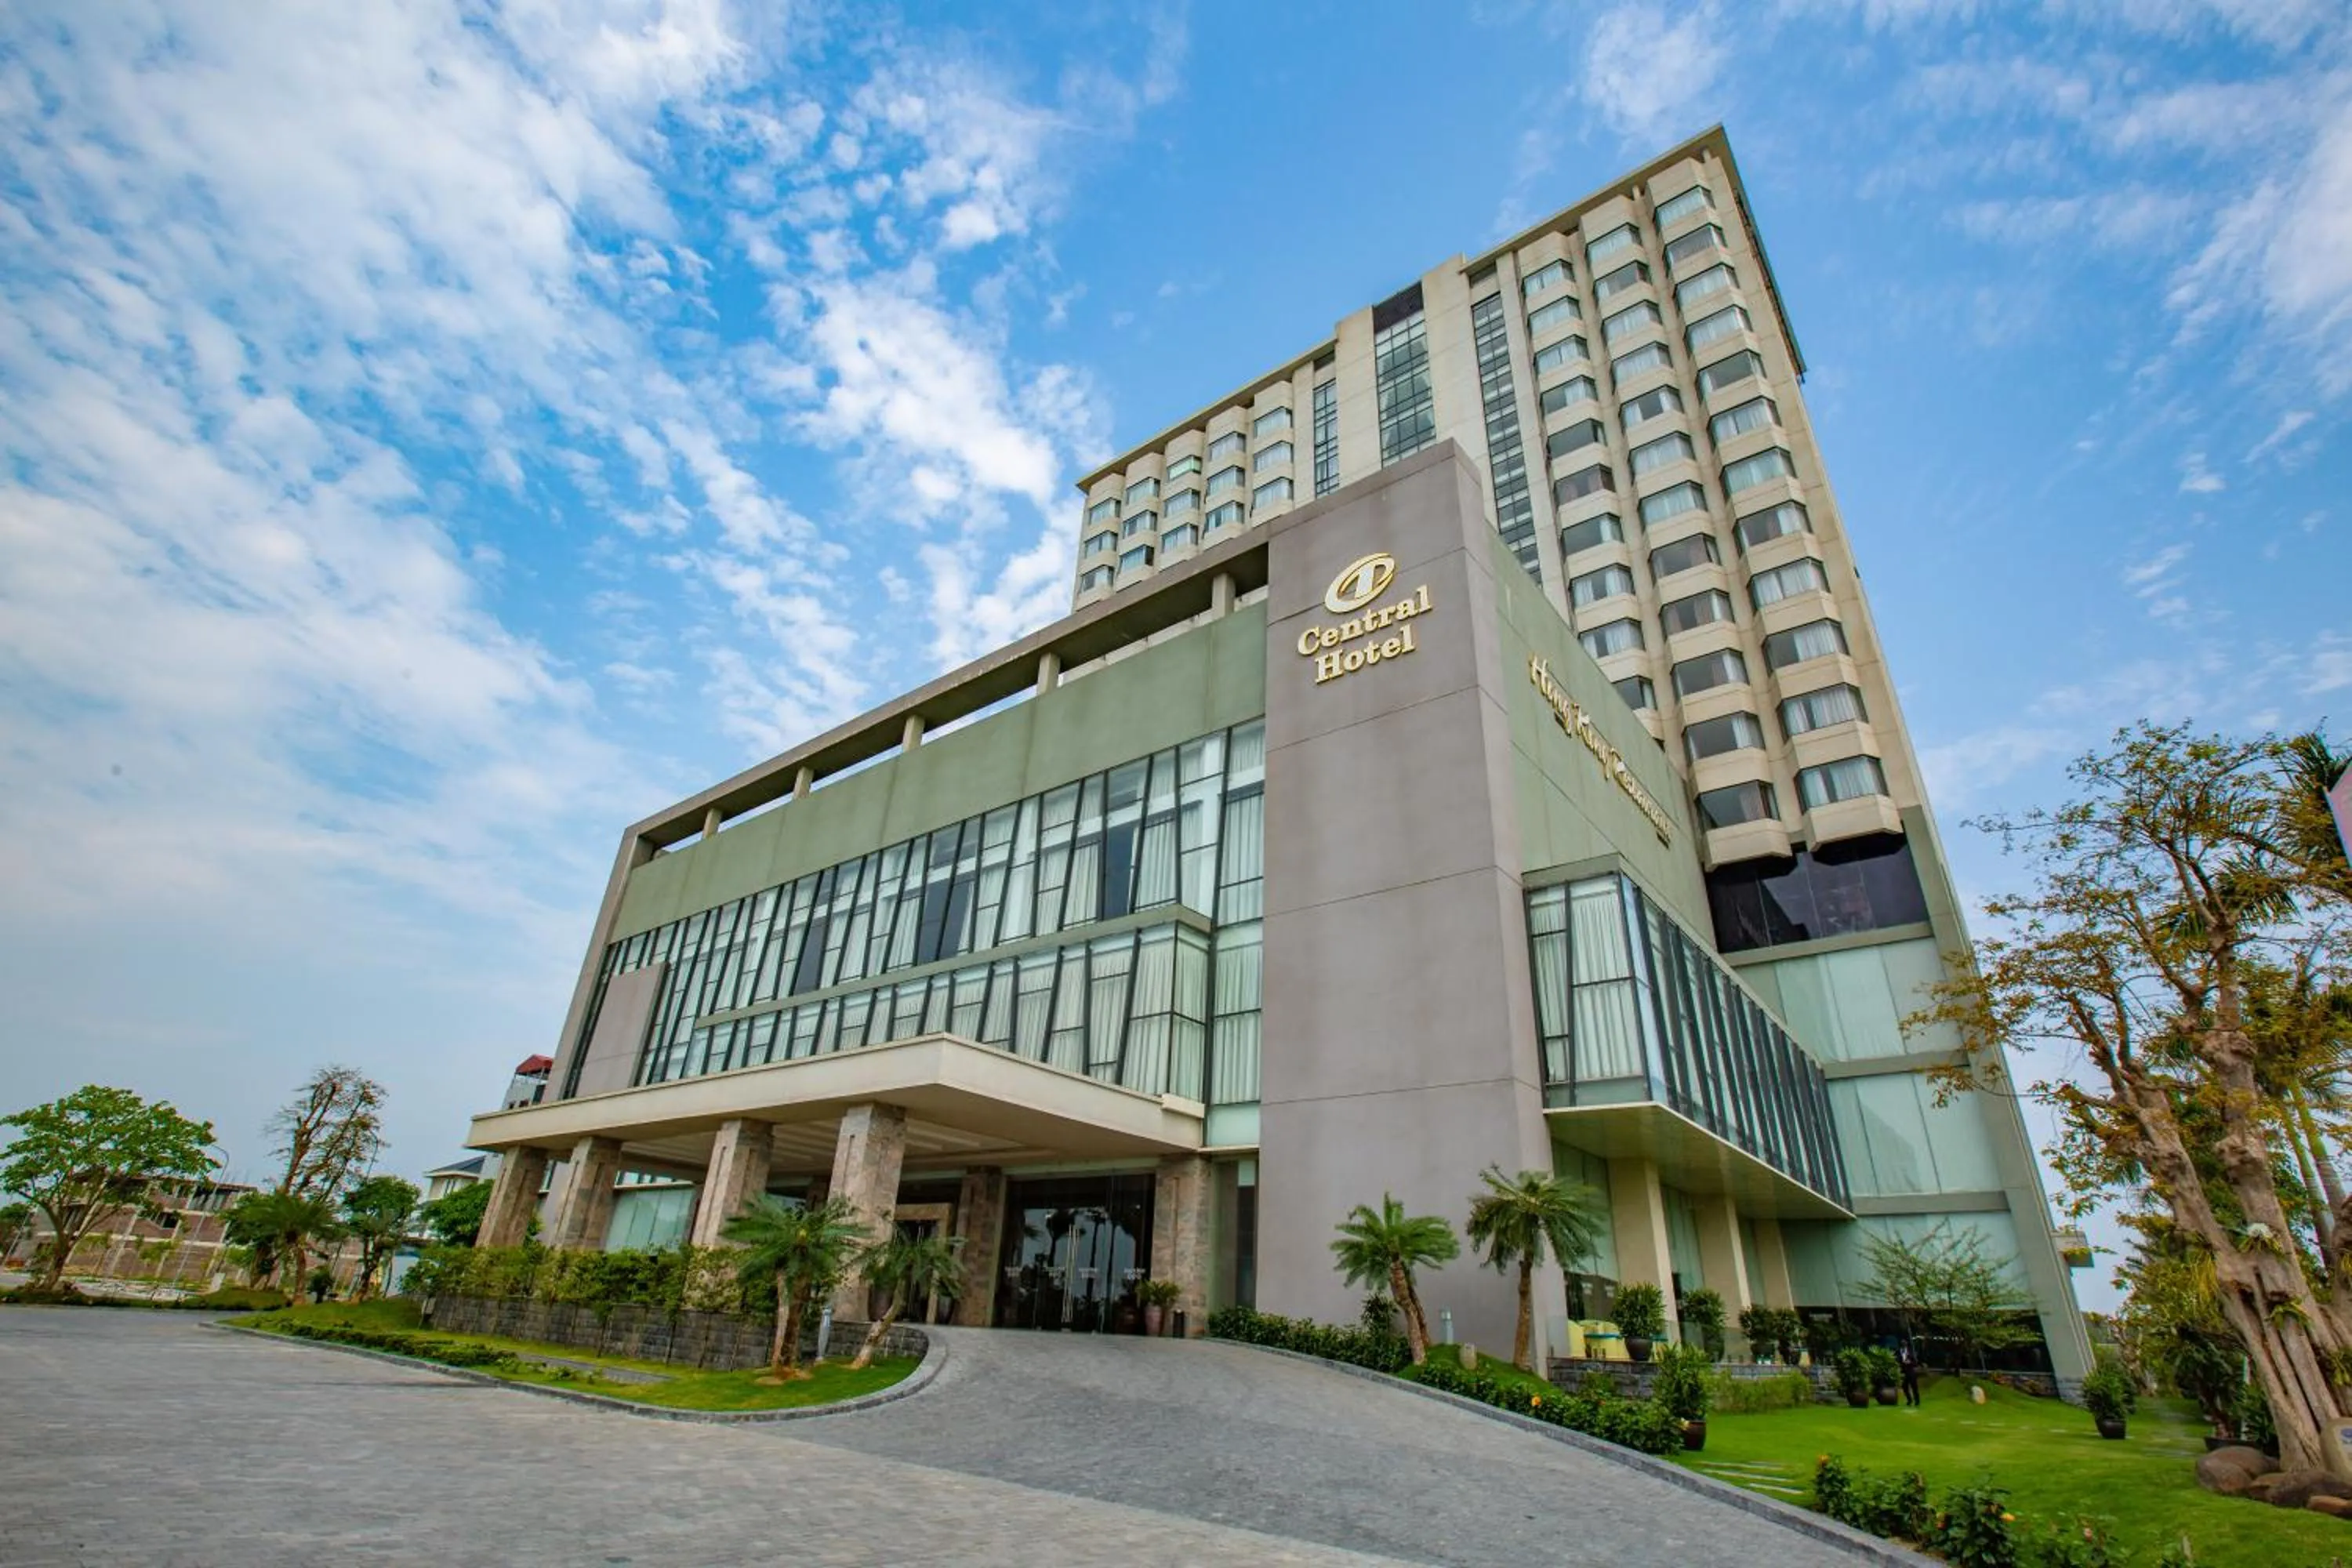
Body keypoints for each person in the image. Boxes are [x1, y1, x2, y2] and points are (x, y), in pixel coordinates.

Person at [1896, 1339, 1922, 1406]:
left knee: (1914, 1387)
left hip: (1911, 1371)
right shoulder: (1899, 1352)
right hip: (1904, 1372)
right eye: (1902, 1345)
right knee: (1904, 1386)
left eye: (1904, 1345)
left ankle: (1917, 1401)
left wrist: (1910, 1362)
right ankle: (1909, 1399)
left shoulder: (1911, 1352)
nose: (1903, 1346)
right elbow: (1898, 1361)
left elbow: (1915, 1363)